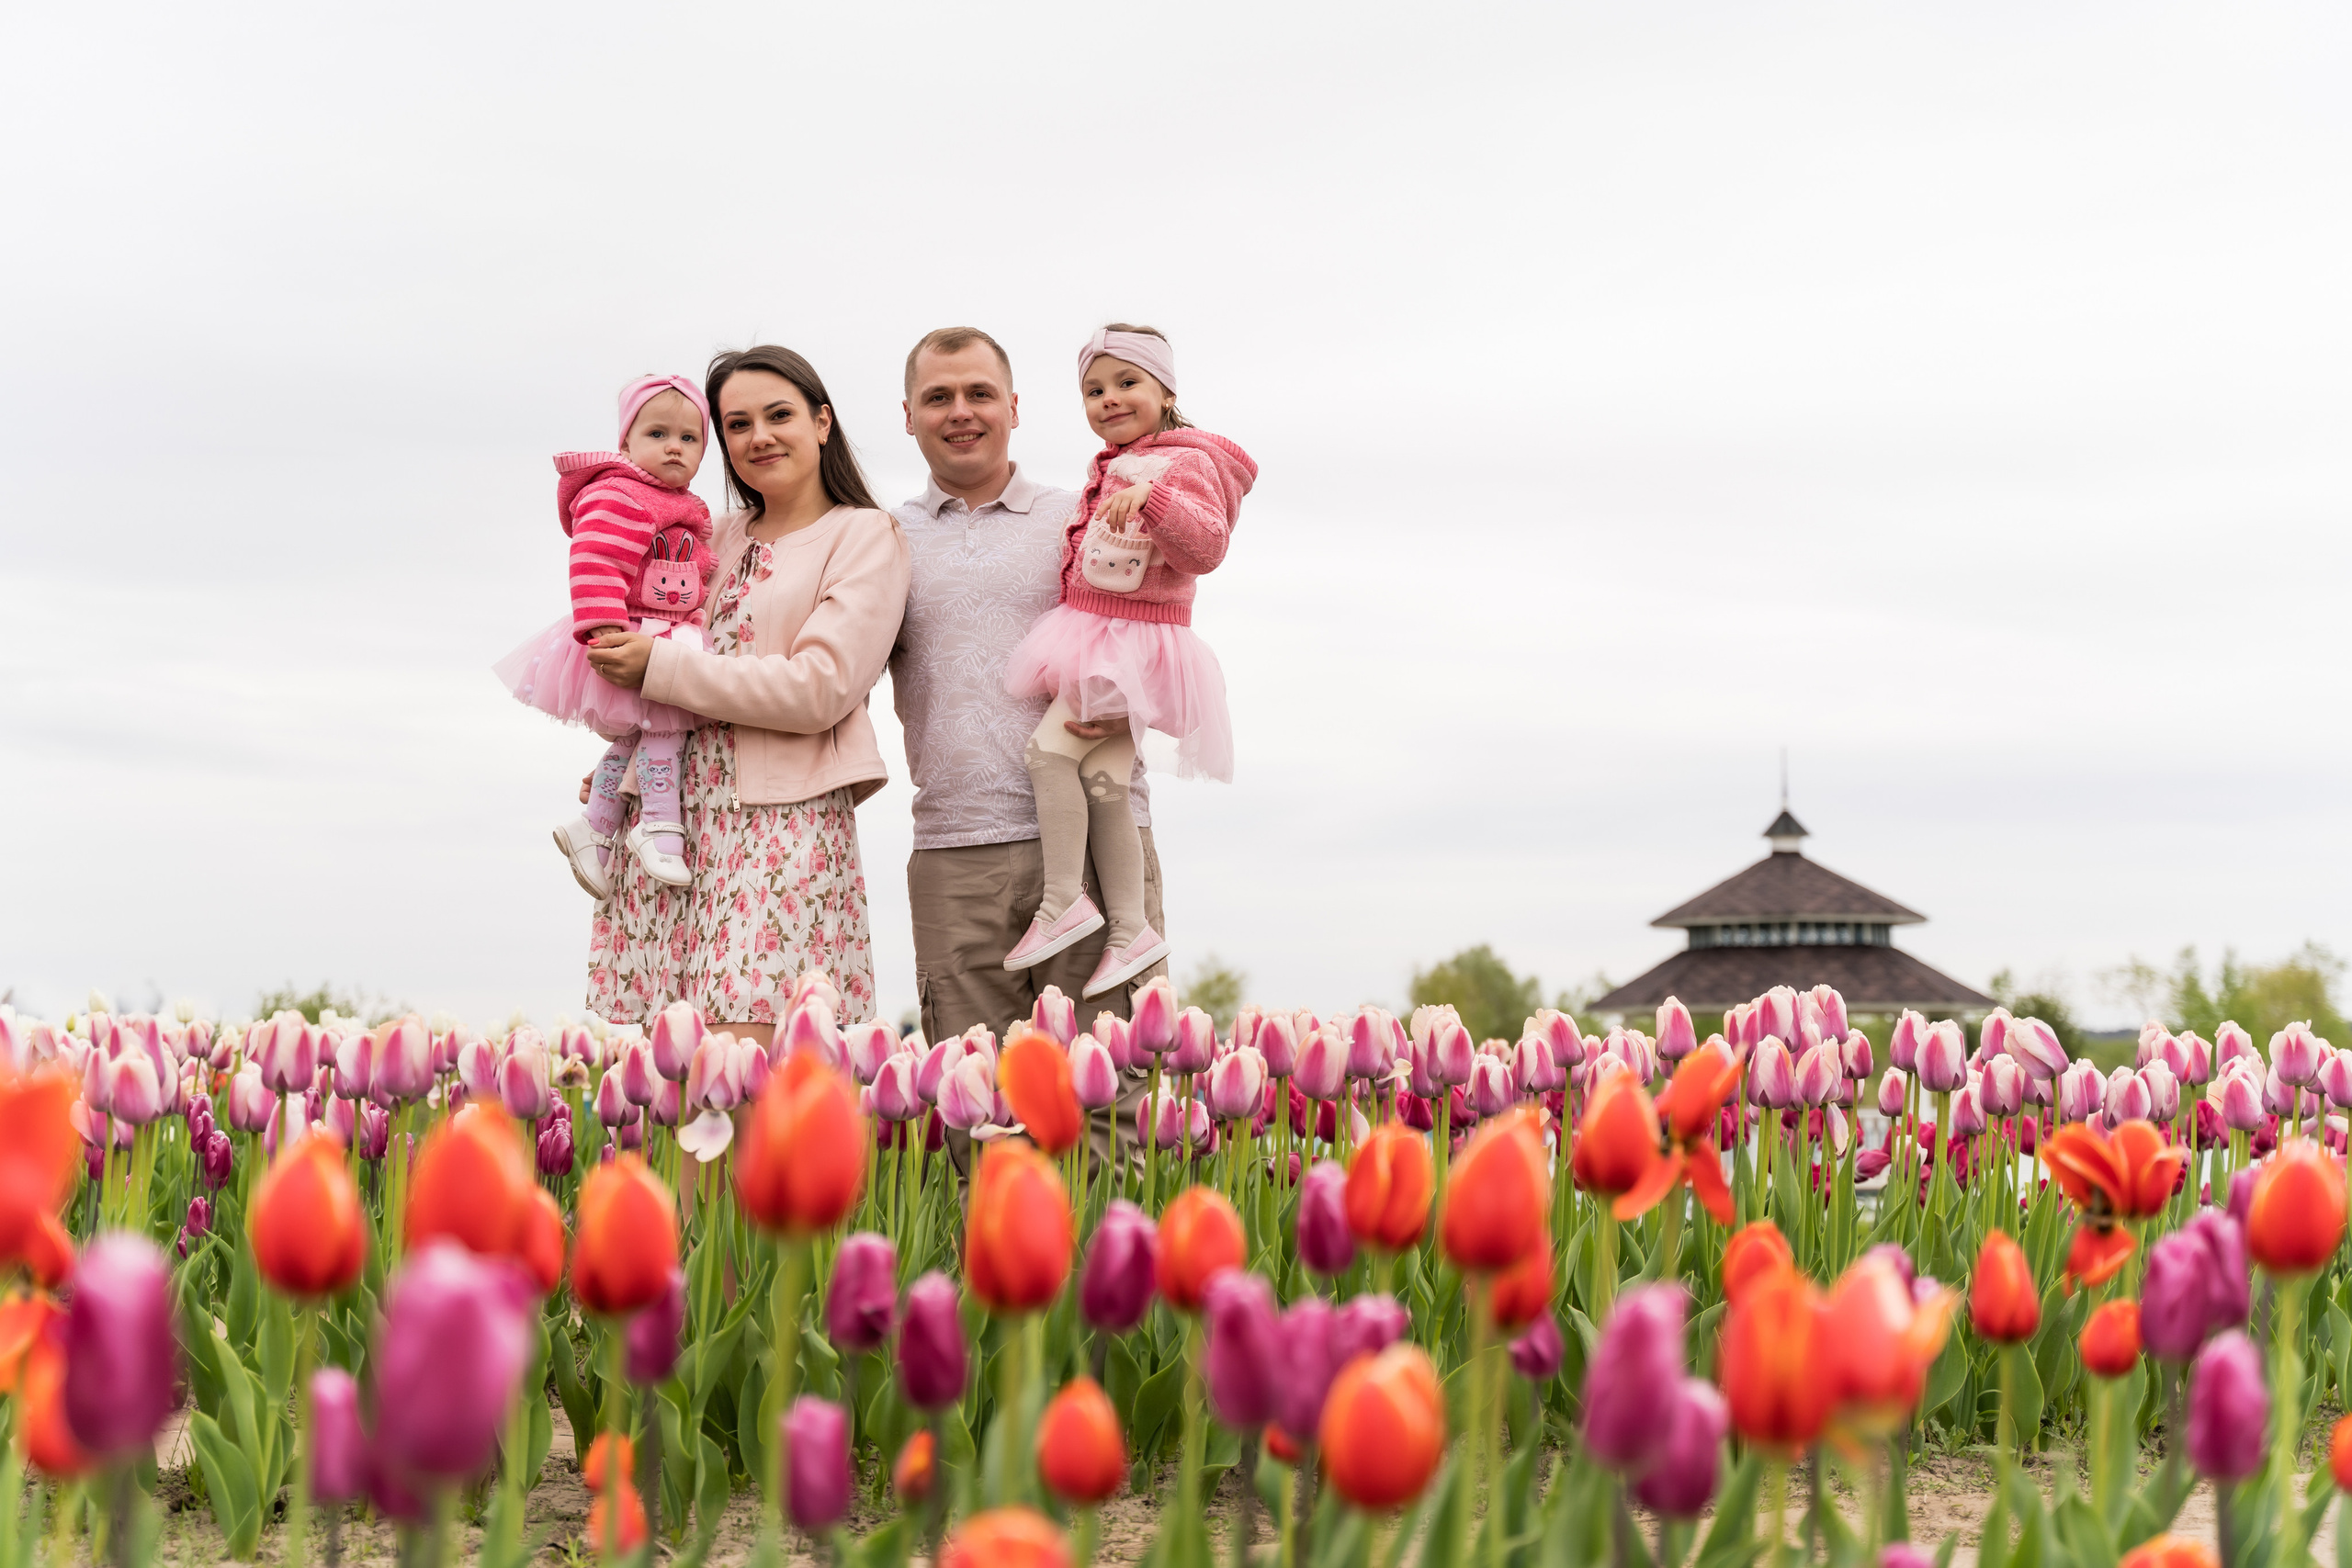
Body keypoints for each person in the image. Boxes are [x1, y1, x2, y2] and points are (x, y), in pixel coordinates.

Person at [582, 345, 911, 1045]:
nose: (757, 436)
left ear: (822, 422)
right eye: (736, 424)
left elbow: (818, 687)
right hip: (671, 826)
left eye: (779, 415)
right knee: (668, 1075)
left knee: (746, 1068)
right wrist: (629, 757)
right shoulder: (708, 533)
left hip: (778, 826)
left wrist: (657, 668)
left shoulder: (864, 535)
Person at [891, 327, 1169, 1045]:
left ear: (1013, 407)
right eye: (938, 397)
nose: (961, 411)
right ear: (908, 414)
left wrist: (1128, 701)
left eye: (980, 393)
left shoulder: (1085, 511)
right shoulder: (884, 536)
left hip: (1093, 843)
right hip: (955, 852)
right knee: (974, 1107)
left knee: (1112, 1112)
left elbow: (1166, 618)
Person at [1002, 325, 1255, 997]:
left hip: (1128, 642)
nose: (1109, 399)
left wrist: (1157, 497)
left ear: (1166, 391)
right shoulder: (1115, 459)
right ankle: (1130, 928)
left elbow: (1206, 546)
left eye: (1127, 382)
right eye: (1094, 389)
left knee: (1048, 755)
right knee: (1106, 784)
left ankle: (1062, 901)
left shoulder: (1182, 463)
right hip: (1105, 634)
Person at [494, 374, 718, 897]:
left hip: (663, 633)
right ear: (626, 444)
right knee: (665, 732)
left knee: (636, 736)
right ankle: (660, 828)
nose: (674, 448)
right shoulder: (624, 494)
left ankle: (595, 828)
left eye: (689, 439)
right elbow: (595, 560)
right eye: (658, 434)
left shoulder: (675, 501)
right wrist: (605, 631)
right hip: (630, 634)